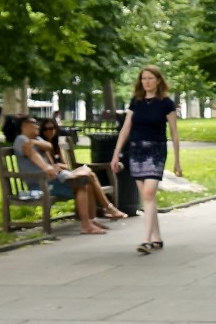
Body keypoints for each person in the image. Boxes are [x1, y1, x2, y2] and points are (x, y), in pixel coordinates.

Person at [112, 64, 183, 255]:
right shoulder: (136, 102)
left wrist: (177, 160)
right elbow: (126, 128)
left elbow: (174, 133)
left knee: (149, 193)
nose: (147, 82)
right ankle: (156, 237)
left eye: (150, 78)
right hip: (136, 150)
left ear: (158, 80)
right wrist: (116, 152)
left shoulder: (166, 103)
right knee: (146, 196)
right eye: (144, 79)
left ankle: (145, 240)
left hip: (156, 150)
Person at [11, 116, 110, 235]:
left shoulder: (35, 139)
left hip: (51, 180)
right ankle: (87, 224)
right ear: (24, 126)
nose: (37, 126)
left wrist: (34, 141)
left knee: (85, 181)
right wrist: (46, 167)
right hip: (40, 184)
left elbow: (49, 146)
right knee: (83, 183)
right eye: (33, 123)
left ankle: (90, 222)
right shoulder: (21, 139)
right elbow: (30, 152)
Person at [39, 118, 127, 222]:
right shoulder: (45, 146)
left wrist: (59, 165)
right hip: (60, 178)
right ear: (42, 131)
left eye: (52, 128)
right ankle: (107, 209)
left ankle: (95, 217)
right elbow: (52, 167)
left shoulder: (56, 146)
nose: (49, 131)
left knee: (88, 174)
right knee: (88, 175)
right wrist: (57, 166)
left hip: (65, 173)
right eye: (46, 129)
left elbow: (65, 166)